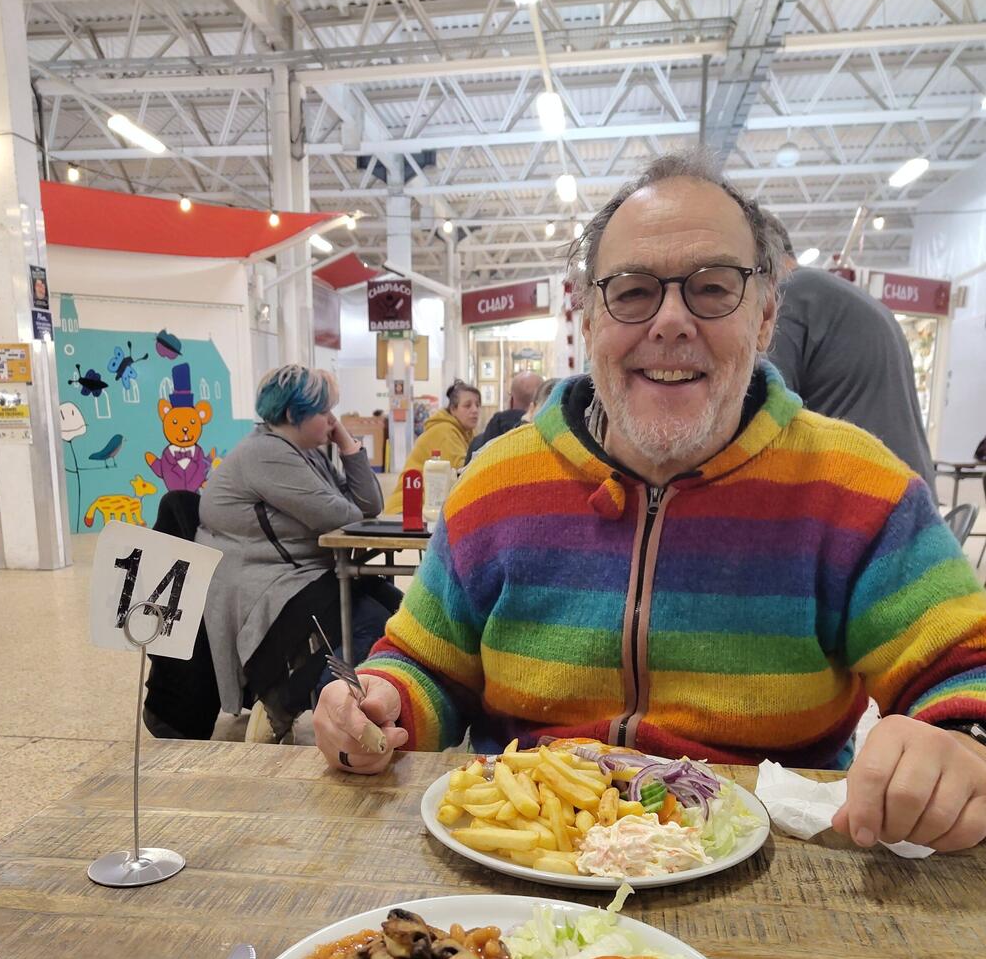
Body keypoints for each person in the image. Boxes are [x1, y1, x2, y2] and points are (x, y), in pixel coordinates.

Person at [313, 149, 986, 853]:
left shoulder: (856, 490)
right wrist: (379, 702)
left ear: (763, 318)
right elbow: (426, 663)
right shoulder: (494, 484)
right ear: (588, 321)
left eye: (713, 287)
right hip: (521, 869)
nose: (670, 321)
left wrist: (961, 746)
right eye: (632, 292)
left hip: (775, 873)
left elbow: (967, 669)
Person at [198, 365, 401, 742]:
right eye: (325, 412)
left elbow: (369, 504)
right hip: (267, 584)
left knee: (402, 613)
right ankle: (290, 704)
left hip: (306, 571)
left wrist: (346, 444)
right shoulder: (266, 453)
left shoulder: (307, 451)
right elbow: (343, 515)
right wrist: (347, 489)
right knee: (371, 625)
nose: (332, 420)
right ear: (294, 415)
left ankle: (330, 699)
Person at [764, 213, 936, 495]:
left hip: (866, 498)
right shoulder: (843, 296)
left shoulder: (788, 296)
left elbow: (766, 415)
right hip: (910, 493)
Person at [384, 381, 481, 513]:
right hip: (407, 511)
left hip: (425, 509)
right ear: (453, 409)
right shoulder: (445, 431)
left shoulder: (465, 432)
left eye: (477, 405)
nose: (475, 410)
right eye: (467, 405)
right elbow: (463, 471)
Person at [465, 369, 543, 462]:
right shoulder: (548, 442)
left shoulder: (478, 444)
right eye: (467, 405)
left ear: (511, 401)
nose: (474, 410)